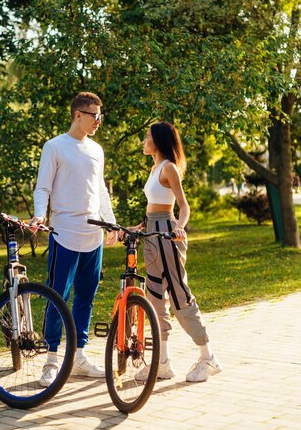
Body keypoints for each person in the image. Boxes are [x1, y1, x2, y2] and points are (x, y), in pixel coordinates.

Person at [30, 91, 117, 387]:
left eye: (100, 116)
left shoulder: (97, 150)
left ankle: (79, 355)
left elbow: (101, 190)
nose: (99, 121)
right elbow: (43, 188)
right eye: (94, 115)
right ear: (78, 115)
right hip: (64, 233)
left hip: (93, 235)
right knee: (57, 296)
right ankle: (52, 359)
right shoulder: (55, 147)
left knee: (86, 298)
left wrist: (112, 224)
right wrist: (40, 215)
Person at [131, 121, 222, 383]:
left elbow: (183, 206)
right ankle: (162, 364)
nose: (144, 140)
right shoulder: (154, 168)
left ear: (158, 141)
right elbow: (153, 208)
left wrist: (179, 228)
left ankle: (209, 357)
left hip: (167, 235)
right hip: (152, 233)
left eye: (147, 136)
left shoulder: (169, 167)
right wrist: (138, 226)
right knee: (155, 299)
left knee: (179, 296)